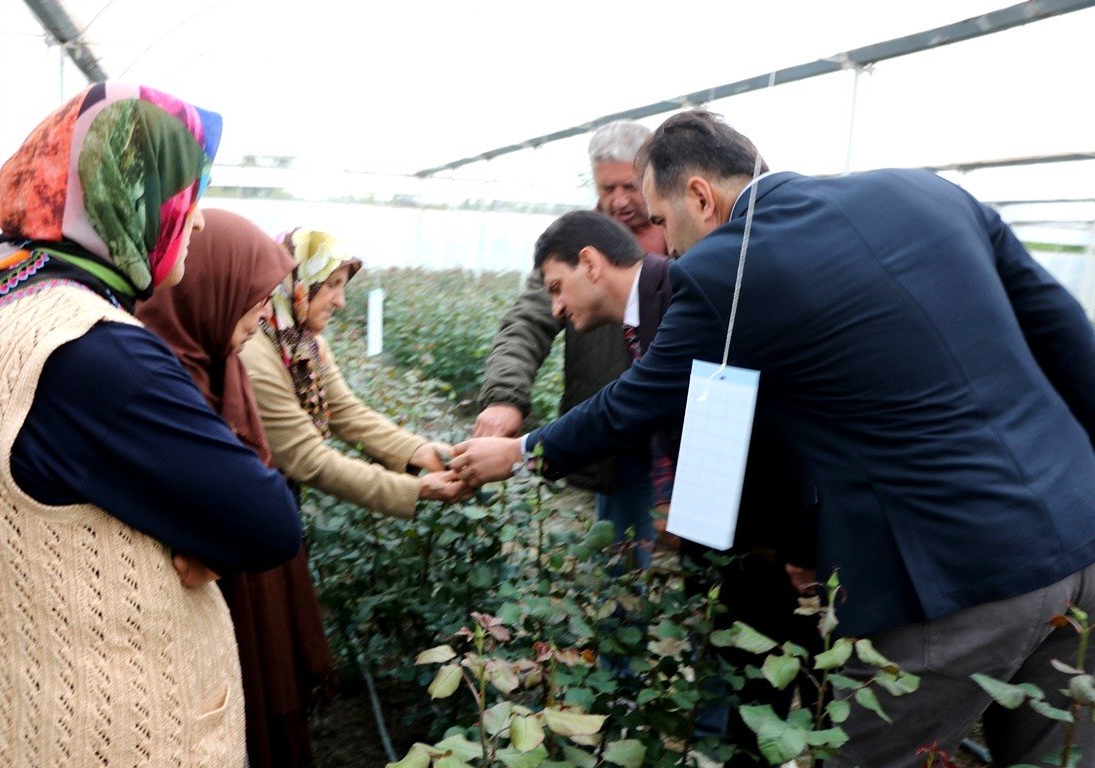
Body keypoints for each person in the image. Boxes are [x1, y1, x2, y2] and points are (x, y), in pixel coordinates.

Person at [450, 109, 1095, 767]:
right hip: (1081, 533)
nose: (665, 247)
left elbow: (634, 403)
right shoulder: (925, 192)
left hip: (954, 575)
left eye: (664, 222)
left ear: (700, 197)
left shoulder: (725, 265)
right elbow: (1066, 336)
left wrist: (522, 451)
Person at [0, 82, 303, 766]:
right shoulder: (93, 350)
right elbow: (269, 523)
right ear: (127, 199)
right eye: (184, 198)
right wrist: (206, 530)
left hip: (14, 726)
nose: (196, 221)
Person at [530, 208, 822, 765]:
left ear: (590, 262)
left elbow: (638, 405)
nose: (556, 308)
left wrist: (525, 451)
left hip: (771, 537)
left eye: (557, 288)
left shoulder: (686, 291)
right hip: (728, 530)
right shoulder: (649, 311)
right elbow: (673, 411)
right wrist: (679, 506)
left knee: (768, 691)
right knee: (737, 675)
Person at [137, 208, 333, 768]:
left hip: (241, 574)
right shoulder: (164, 383)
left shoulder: (224, 364)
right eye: (253, 297)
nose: (263, 314)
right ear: (211, 285)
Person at [475, 120, 668, 568]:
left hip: (680, 432)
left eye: (629, 186)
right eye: (607, 188)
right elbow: (528, 320)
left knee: (701, 568)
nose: (618, 201)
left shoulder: (689, 232)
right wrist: (505, 397)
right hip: (616, 440)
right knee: (621, 565)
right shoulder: (577, 241)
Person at [240, 226, 465, 520]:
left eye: (342, 286)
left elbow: (346, 411)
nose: (340, 301)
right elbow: (308, 459)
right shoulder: (253, 352)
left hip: (275, 495)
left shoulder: (304, 344)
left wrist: (418, 450)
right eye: (331, 284)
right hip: (247, 505)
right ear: (296, 279)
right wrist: (416, 489)